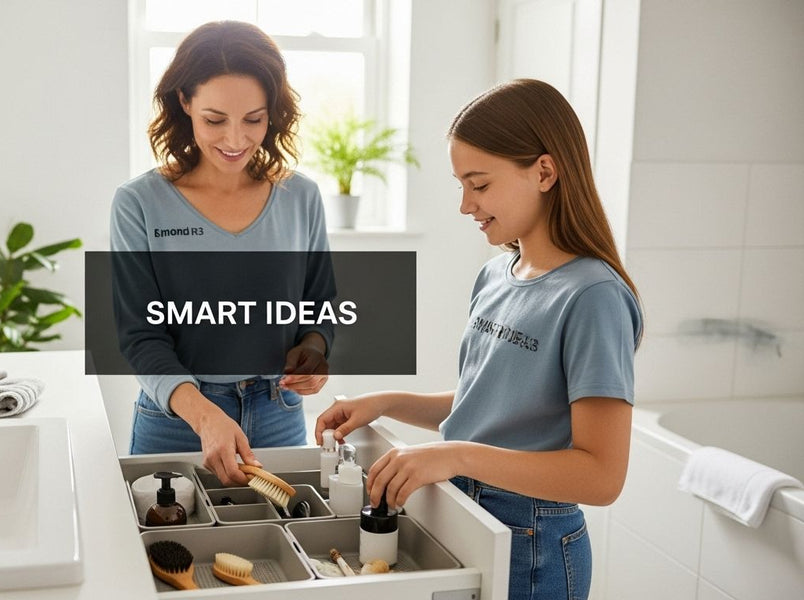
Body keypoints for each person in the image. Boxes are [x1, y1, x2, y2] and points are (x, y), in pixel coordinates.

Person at [315, 79, 642, 600]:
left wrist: (455, 456)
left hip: (533, 544)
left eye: (480, 184)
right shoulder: (495, 275)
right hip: (469, 516)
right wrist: (386, 402)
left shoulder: (593, 297)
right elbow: (491, 406)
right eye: (461, 185)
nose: (466, 205)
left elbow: (602, 476)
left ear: (545, 172)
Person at [110, 21, 333, 487]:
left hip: (279, 413)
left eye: (254, 119)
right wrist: (203, 414)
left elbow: (319, 306)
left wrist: (314, 352)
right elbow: (139, 335)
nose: (235, 140)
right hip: (176, 421)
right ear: (184, 102)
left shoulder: (301, 197)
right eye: (215, 120)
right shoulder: (139, 203)